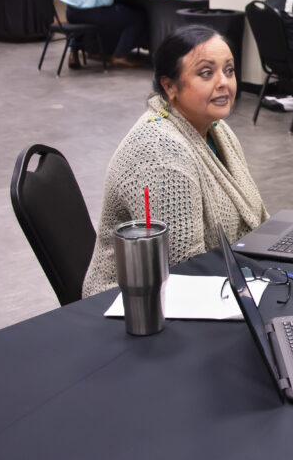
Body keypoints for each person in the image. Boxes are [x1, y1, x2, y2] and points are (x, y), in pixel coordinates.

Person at [83, 25, 269, 297]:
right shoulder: (159, 151)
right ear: (170, 86)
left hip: (217, 282)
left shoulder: (216, 128)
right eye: (206, 73)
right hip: (133, 303)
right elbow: (184, 268)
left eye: (228, 70)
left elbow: (254, 217)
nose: (224, 82)